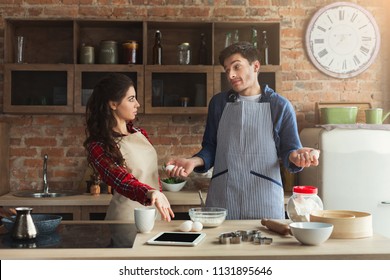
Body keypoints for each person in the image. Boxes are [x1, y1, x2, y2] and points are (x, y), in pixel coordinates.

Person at [166, 41, 319, 220]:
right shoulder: (219, 103)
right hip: (223, 195)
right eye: (227, 70)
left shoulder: (279, 106)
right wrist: (193, 161)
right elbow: (210, 147)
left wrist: (297, 156)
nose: (231, 75)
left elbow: (290, 151)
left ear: (255, 66)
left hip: (264, 197)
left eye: (237, 67)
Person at [84, 73, 174, 222]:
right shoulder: (99, 145)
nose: (137, 104)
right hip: (125, 220)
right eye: (131, 99)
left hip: (154, 214)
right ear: (113, 104)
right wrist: (150, 193)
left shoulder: (140, 133)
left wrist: (169, 170)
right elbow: (122, 181)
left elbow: (148, 174)